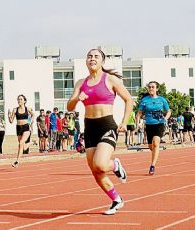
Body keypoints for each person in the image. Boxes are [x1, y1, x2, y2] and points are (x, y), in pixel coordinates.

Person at [67, 48, 133, 215]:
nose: (92, 58)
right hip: (89, 127)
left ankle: (115, 165)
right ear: (86, 61)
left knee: (101, 164)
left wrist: (124, 122)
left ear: (102, 61)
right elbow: (69, 106)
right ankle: (116, 199)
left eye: (96, 56)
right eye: (89, 56)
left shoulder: (110, 79)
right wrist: (77, 98)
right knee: (95, 170)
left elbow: (128, 100)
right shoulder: (81, 83)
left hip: (106, 126)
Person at [136, 81, 171, 175]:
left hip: (159, 124)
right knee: (151, 147)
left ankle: (152, 165)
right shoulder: (144, 100)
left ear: (157, 89)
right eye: (149, 87)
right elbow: (139, 113)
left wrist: (165, 119)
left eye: (153, 87)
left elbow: (168, 111)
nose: (151, 88)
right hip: (149, 125)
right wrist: (138, 123)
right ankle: (156, 153)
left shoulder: (162, 100)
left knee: (156, 143)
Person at [8, 94, 35, 167]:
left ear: (24, 101)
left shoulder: (28, 109)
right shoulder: (15, 109)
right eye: (18, 99)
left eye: (21, 99)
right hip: (18, 128)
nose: (19, 100)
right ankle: (32, 142)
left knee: (21, 143)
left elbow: (33, 115)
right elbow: (11, 121)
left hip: (26, 127)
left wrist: (30, 122)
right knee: (23, 147)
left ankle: (17, 161)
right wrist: (9, 115)